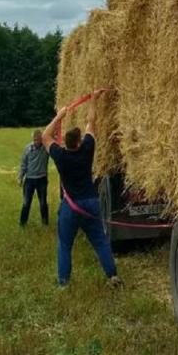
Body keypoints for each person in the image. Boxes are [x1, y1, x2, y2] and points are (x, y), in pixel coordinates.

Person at [41, 99, 121, 289]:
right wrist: (94, 100)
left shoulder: (60, 156)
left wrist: (59, 116)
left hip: (71, 206)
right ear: (79, 142)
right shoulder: (87, 150)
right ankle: (112, 277)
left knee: (65, 245)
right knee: (100, 241)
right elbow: (91, 122)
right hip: (91, 202)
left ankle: (63, 283)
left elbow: (45, 135)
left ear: (66, 144)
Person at [18, 129, 49, 227]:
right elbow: (23, 164)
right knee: (26, 202)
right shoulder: (27, 149)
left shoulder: (46, 148)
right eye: (34, 140)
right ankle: (23, 223)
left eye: (38, 140)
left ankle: (45, 222)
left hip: (42, 179)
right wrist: (20, 177)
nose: (36, 142)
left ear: (42, 139)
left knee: (43, 202)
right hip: (29, 180)